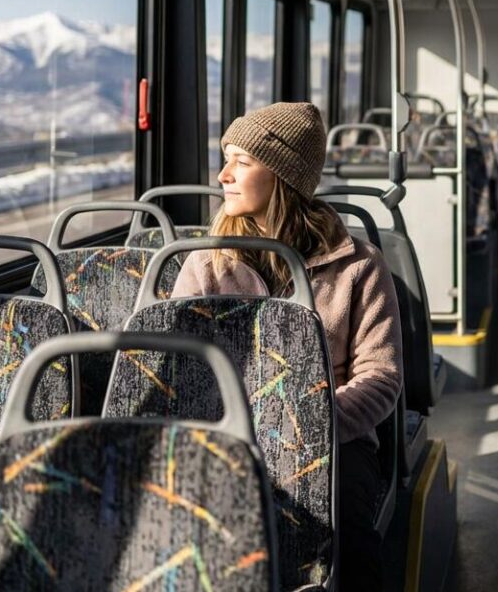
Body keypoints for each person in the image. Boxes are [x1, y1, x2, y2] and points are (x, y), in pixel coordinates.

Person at [171, 101, 402, 590]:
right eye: (225, 158)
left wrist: (305, 425)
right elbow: (176, 367)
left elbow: (380, 379)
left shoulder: (359, 265)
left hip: (334, 440)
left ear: (282, 176)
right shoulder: (207, 264)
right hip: (225, 435)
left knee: (346, 533)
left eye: (242, 161)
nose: (223, 174)